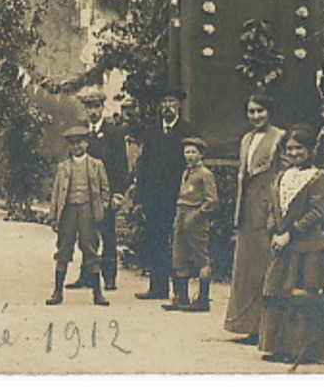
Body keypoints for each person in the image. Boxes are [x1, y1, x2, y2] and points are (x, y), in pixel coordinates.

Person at [259, 124, 324, 363]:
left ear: (309, 150)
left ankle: (301, 351)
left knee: (301, 294)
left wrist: (290, 233)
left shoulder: (317, 177)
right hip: (282, 244)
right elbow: (272, 208)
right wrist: (274, 231)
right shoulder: (282, 176)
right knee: (279, 292)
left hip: (306, 246)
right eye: (289, 149)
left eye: (298, 148)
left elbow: (316, 212)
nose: (293, 153)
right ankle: (279, 347)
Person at [225, 94, 285, 342]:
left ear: (269, 112)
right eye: (251, 111)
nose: (256, 116)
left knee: (264, 266)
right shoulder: (246, 139)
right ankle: (246, 324)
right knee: (246, 268)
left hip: (267, 209)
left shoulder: (279, 137)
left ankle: (265, 327)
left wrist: (275, 211)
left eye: (260, 111)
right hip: (247, 210)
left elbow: (282, 176)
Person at [130, 88, 199, 300]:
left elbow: (194, 166)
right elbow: (143, 164)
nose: (168, 106)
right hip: (154, 198)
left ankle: (180, 291)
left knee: (179, 243)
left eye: (172, 102)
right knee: (156, 240)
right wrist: (139, 196)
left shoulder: (188, 131)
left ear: (179, 105)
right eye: (164, 102)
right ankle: (158, 287)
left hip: (179, 198)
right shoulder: (152, 132)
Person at [69, 87, 129, 291]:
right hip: (85, 193)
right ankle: (86, 275)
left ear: (102, 108)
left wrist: (118, 193)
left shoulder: (114, 133)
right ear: (85, 110)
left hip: (106, 194)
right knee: (86, 235)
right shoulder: (80, 132)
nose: (93, 111)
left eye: (96, 107)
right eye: (89, 107)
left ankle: (109, 276)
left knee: (108, 235)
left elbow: (121, 165)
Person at [47, 125, 112, 307]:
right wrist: (54, 216)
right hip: (68, 211)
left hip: (88, 211)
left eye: (80, 143)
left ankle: (97, 293)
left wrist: (102, 208)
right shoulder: (63, 167)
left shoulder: (96, 165)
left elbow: (105, 190)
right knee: (63, 249)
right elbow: (56, 193)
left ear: (87, 143)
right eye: (72, 144)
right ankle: (57, 291)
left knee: (91, 248)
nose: (76, 147)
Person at [163, 134, 219, 313]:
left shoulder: (205, 174)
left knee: (201, 257)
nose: (190, 156)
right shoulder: (186, 172)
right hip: (181, 215)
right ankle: (182, 297)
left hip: (196, 219)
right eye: (187, 152)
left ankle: (203, 299)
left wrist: (196, 215)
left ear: (201, 154)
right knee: (179, 256)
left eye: (193, 152)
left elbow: (212, 201)